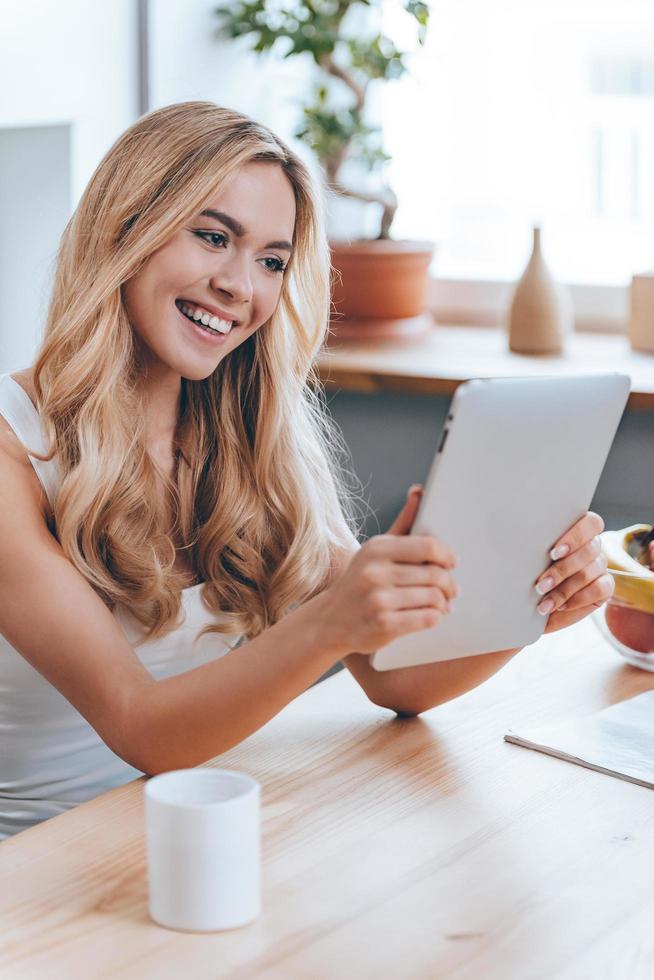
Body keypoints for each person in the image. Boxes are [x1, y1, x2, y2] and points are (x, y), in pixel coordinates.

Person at [0, 101, 612, 840]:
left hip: (194, 837)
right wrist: (333, 619)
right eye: (212, 236)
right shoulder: (14, 450)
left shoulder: (245, 441)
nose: (240, 286)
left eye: (271, 261)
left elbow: (394, 675)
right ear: (123, 227)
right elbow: (142, 728)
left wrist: (530, 600)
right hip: (38, 873)